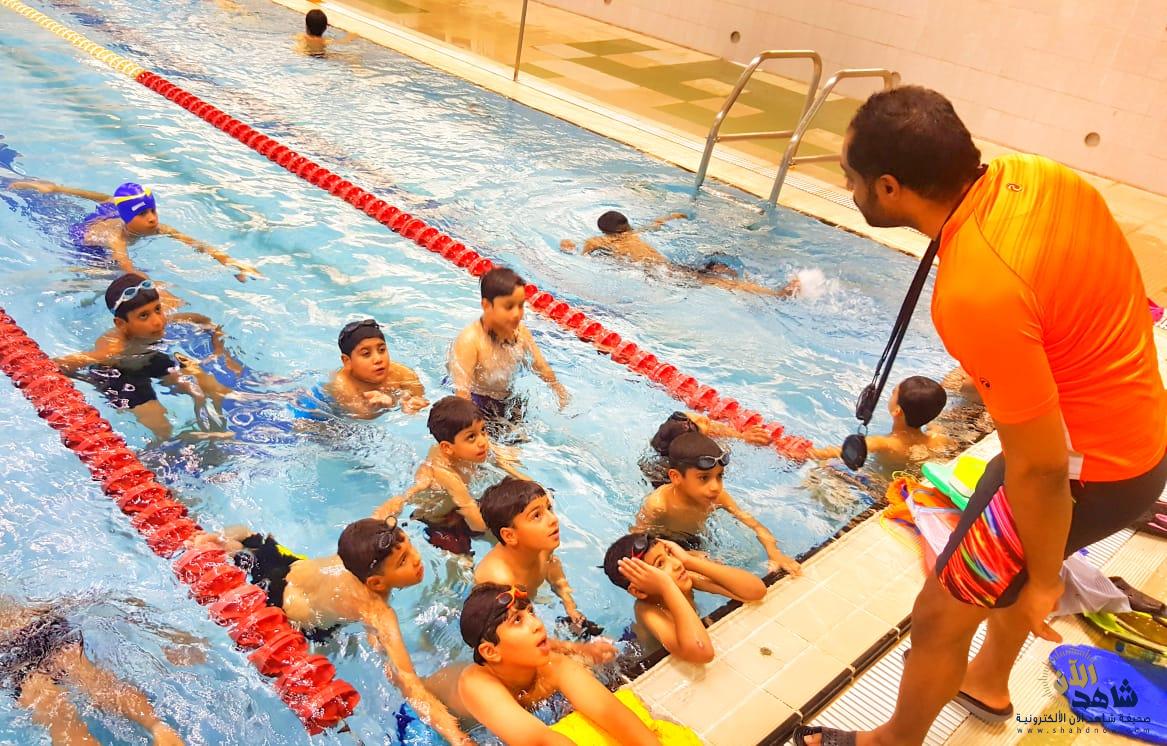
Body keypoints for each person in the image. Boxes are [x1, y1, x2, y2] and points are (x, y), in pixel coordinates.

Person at [795, 86, 1167, 746]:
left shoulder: (974, 290)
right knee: (1009, 551)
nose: (846, 187)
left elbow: (1042, 469)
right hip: (1138, 431)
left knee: (939, 615)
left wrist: (1047, 580)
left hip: (1086, 472)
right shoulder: (1036, 175)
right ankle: (988, 681)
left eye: (850, 176)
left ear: (889, 187)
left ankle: (891, 742)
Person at [191, 518, 473, 745]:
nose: (416, 559)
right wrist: (459, 739)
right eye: (403, 561)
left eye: (410, 548)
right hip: (287, 615)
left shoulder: (362, 547)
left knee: (245, 539)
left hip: (286, 564)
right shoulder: (376, 610)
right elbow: (410, 684)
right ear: (375, 583)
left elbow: (382, 514)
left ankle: (219, 540)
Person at [450, 583, 662, 745]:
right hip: (444, 711)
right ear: (490, 652)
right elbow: (540, 740)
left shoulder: (553, 665)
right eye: (517, 620)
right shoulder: (476, 684)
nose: (537, 624)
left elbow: (610, 711)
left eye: (531, 612)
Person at [54, 274, 233, 441]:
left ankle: (219, 426)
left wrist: (220, 352)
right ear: (121, 324)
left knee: (211, 385)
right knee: (162, 428)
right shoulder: (113, 348)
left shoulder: (161, 321)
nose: (157, 321)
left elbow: (205, 322)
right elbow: (68, 363)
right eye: (144, 316)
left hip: (149, 358)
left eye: (157, 309)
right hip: (118, 374)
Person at [0, 598, 184, 746]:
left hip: (12, 649)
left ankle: (157, 726)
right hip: (40, 627)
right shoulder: (23, 605)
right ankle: (157, 726)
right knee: (93, 680)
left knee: (53, 709)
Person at [7, 181, 260, 282]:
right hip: (84, 241)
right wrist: (154, 285)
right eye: (143, 214)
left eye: (153, 211)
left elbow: (194, 243)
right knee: (102, 273)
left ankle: (54, 191)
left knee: (108, 200)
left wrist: (229, 262)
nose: (151, 218)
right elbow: (127, 266)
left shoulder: (155, 227)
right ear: (128, 218)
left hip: (108, 215)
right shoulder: (116, 238)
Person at [375, 396, 526, 556]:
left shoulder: (470, 447)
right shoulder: (445, 473)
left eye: (483, 430)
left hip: (459, 508)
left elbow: (508, 465)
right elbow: (477, 525)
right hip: (439, 522)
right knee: (467, 559)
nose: (482, 442)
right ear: (447, 448)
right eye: (471, 437)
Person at [633, 431, 801, 575]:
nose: (715, 487)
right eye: (704, 478)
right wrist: (685, 555)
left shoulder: (718, 497)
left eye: (719, 476)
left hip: (695, 537)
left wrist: (774, 553)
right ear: (676, 477)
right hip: (664, 542)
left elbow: (755, 525)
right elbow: (637, 543)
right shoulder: (658, 505)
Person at [560, 210, 800, 298]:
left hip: (665, 269)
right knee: (713, 279)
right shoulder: (613, 238)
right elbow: (655, 224)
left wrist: (670, 217)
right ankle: (775, 294)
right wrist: (569, 248)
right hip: (660, 271)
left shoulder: (614, 237)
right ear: (621, 228)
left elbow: (652, 226)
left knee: (715, 272)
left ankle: (761, 291)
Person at [603, 533, 764, 662]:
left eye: (669, 553)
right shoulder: (647, 611)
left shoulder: (682, 577)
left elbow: (756, 591)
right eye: (660, 564)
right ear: (638, 592)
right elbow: (702, 653)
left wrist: (689, 561)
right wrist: (667, 586)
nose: (676, 564)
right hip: (637, 650)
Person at [474, 477, 600, 635]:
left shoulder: (542, 546)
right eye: (536, 516)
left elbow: (551, 565)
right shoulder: (499, 582)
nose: (553, 519)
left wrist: (568, 604)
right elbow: (504, 636)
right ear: (510, 536)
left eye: (549, 508)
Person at [448, 267, 569, 431]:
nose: (517, 314)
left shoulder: (520, 332)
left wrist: (560, 392)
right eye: (508, 307)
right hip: (477, 404)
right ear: (486, 305)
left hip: (508, 400)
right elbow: (462, 397)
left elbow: (540, 366)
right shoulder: (470, 341)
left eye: (521, 306)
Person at [808, 376, 950, 470]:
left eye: (893, 393)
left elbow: (839, 452)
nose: (891, 395)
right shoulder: (939, 439)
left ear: (897, 411)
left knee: (825, 466)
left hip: (879, 490)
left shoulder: (885, 443)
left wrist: (809, 452)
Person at [300, 318, 426, 420]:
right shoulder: (341, 385)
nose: (378, 359)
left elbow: (421, 398)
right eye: (366, 354)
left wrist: (413, 403)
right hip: (322, 412)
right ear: (347, 361)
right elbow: (362, 416)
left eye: (382, 350)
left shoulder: (403, 373)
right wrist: (391, 404)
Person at [640, 410, 775, 488]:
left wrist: (741, 436)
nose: (705, 418)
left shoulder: (665, 441)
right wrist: (742, 439)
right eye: (702, 423)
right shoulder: (710, 457)